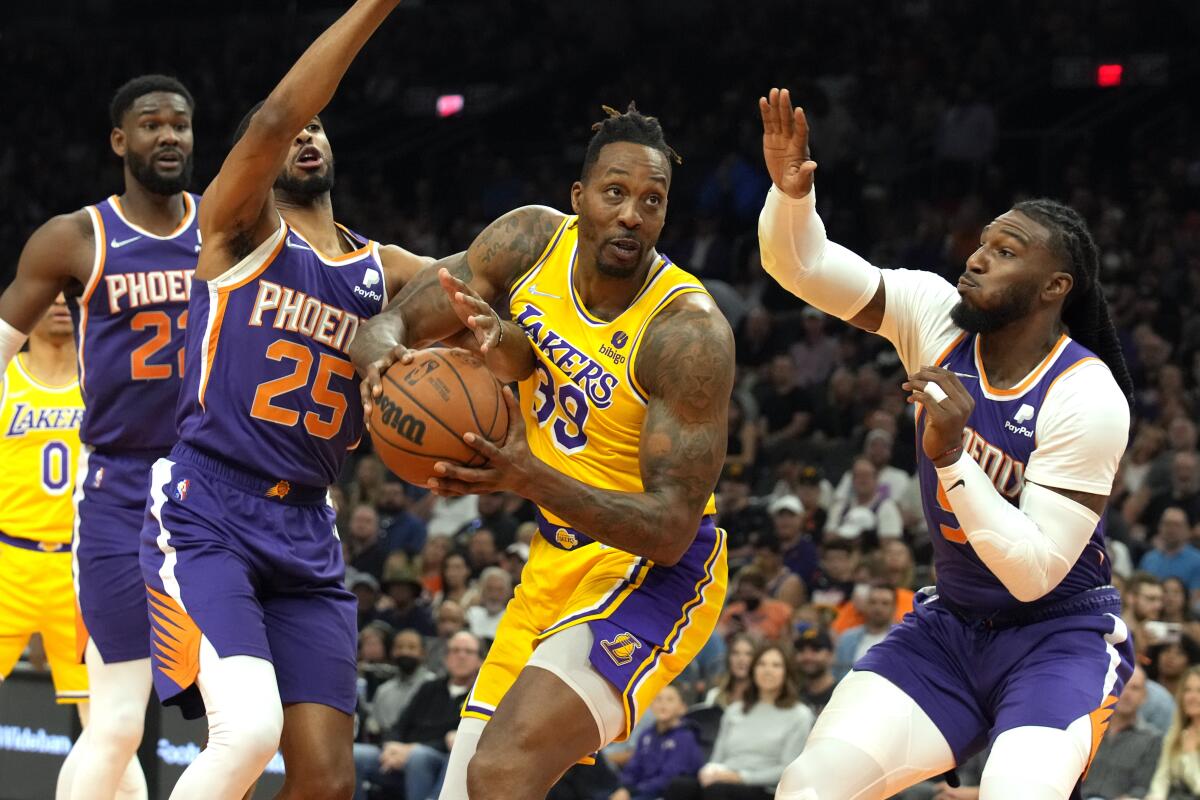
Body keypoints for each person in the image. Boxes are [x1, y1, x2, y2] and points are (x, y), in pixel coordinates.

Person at [351, 102, 735, 799]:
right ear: (579, 197)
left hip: (655, 574)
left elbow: (672, 531)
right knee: (465, 790)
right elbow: (400, 316)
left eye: (652, 201)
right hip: (553, 564)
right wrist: (380, 347)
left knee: (499, 773)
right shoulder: (529, 242)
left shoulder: (687, 333)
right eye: (615, 193)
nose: (632, 215)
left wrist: (528, 479)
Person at [759, 88, 1134, 799]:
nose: (978, 258)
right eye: (984, 242)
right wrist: (790, 197)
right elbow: (802, 268)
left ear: (1056, 285)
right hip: (951, 628)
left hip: (1059, 635)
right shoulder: (934, 314)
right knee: (809, 787)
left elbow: (1033, 574)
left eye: (1006, 251)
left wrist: (952, 457)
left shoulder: (1085, 394)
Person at [137, 3, 429, 797]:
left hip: (308, 525)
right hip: (209, 508)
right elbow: (274, 115)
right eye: (297, 129)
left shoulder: (387, 272)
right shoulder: (237, 228)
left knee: (329, 781)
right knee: (248, 733)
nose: (306, 135)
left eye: (320, 128)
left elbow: (489, 281)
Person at [0, 71, 202, 800]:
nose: (168, 135)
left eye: (179, 122)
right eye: (151, 124)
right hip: (118, 487)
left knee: (239, 720)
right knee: (117, 722)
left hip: (211, 489)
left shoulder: (227, 226)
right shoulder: (75, 236)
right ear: (121, 140)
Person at [0, 298, 144, 797]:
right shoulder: (5, 377)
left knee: (110, 726)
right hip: (7, 562)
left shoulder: (102, 378)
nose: (60, 305)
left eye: (69, 297)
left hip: (81, 566)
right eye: (50, 297)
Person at [665, 644, 814, 799]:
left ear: (787, 672)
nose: (767, 670)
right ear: (753, 670)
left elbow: (786, 770)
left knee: (718, 790)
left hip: (762, 788)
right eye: (761, 664)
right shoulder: (735, 710)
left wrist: (739, 777)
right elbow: (717, 757)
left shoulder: (799, 715)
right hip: (724, 780)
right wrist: (709, 772)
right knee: (679, 786)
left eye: (776, 665)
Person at [354, 631, 484, 800]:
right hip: (402, 754)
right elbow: (401, 723)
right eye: (455, 650)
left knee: (419, 757)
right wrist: (390, 746)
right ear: (445, 658)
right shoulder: (429, 687)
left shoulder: (479, 697)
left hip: (439, 761)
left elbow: (455, 741)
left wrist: (411, 750)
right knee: (354, 755)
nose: (460, 656)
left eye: (468, 651)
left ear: (481, 660)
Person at [1080, 665, 1162, 800]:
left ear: (1144, 696)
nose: (1127, 693)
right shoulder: (1088, 727)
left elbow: (1141, 788)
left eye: (1135, 688)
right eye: (1123, 685)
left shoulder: (1152, 739)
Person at [610, 684, 705, 800]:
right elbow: (633, 768)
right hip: (639, 792)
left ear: (682, 707)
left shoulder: (686, 737)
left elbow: (669, 778)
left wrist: (631, 792)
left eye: (670, 699)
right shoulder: (646, 735)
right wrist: (624, 788)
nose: (663, 704)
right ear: (651, 705)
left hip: (663, 794)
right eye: (658, 699)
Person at [1147, 666, 1200, 799]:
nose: (1191, 697)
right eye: (1187, 690)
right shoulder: (1175, 735)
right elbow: (1161, 780)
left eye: (1199, 691)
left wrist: (1191, 753)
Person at [832, 585, 898, 680]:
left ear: (894, 608)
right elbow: (835, 674)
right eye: (873, 602)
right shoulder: (847, 639)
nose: (878, 608)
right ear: (865, 605)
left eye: (885, 603)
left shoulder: (902, 640)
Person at [706, 634, 757, 708]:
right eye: (735, 653)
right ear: (728, 658)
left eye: (748, 654)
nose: (741, 659)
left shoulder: (762, 699)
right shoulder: (713, 695)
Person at [792, 630, 836, 714]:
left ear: (830, 655)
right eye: (801, 650)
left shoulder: (841, 694)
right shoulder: (791, 695)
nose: (807, 656)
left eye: (816, 650)